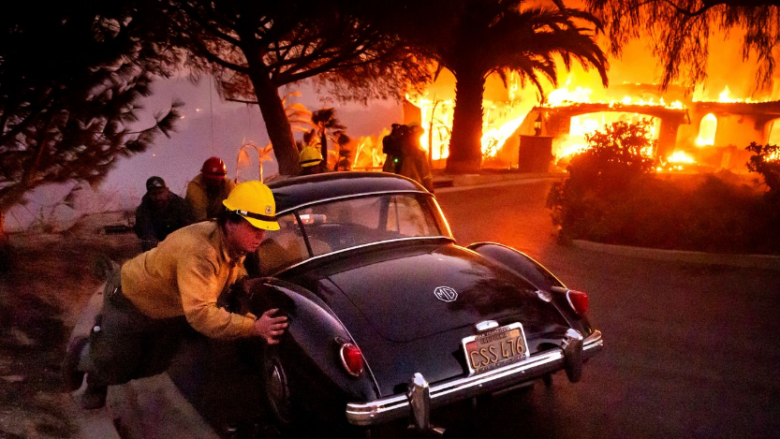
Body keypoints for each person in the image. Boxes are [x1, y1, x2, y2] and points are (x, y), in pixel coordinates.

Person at [62, 181, 289, 410]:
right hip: (130, 299)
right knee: (116, 363)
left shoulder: (231, 241)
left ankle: (104, 349)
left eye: (264, 228)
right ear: (231, 222)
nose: (261, 236)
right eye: (255, 228)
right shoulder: (200, 252)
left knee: (153, 366)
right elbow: (201, 314)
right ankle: (83, 355)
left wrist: (242, 283)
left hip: (166, 307)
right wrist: (253, 327)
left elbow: (231, 268)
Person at [134, 176, 193, 251]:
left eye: (160, 192)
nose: (158, 197)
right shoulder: (143, 209)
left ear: (167, 190)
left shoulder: (180, 204)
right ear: (149, 194)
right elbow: (147, 233)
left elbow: (187, 228)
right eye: (154, 194)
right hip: (157, 244)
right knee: (148, 243)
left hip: (178, 240)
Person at [186, 157, 236, 221]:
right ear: (204, 176)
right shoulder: (195, 188)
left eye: (216, 180)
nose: (214, 183)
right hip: (196, 223)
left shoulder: (229, 185)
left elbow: (236, 208)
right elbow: (200, 219)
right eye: (210, 180)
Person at [396, 124, 434, 192]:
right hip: (416, 188)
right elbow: (426, 175)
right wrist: (430, 190)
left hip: (401, 189)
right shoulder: (419, 154)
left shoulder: (397, 155)